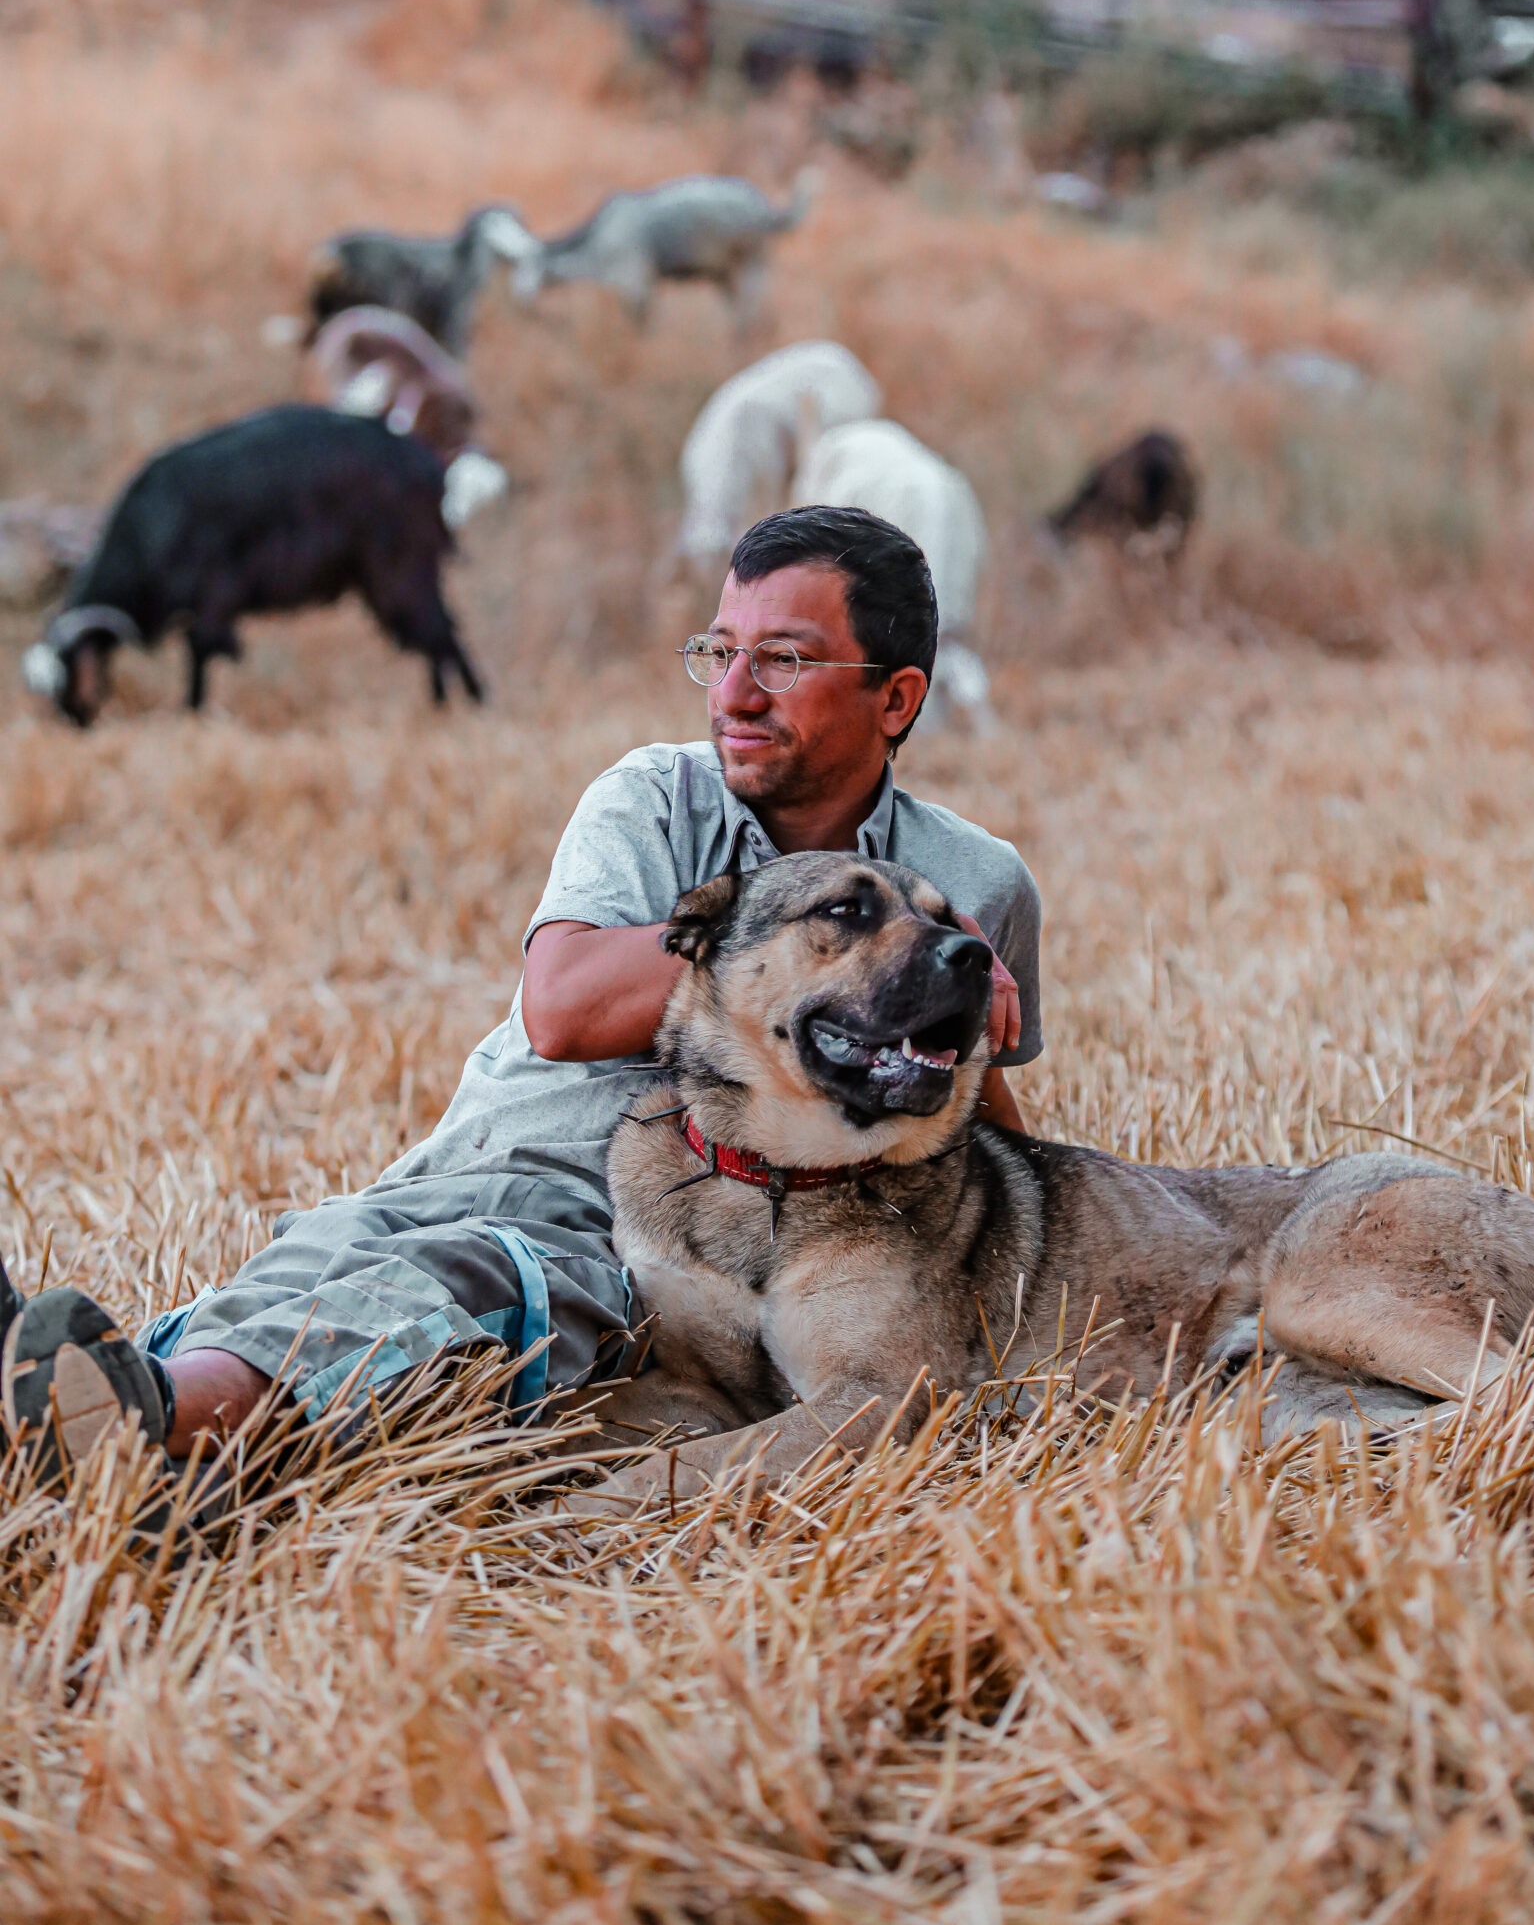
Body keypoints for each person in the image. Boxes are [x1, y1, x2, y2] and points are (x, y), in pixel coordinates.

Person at [1, 506, 1043, 1487]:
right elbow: (565, 1005)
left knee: (464, 1292)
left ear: (897, 697)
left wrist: (943, 1004)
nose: (733, 692)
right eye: (721, 651)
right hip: (487, 1161)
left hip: (629, 1226)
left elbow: (980, 1142)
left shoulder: (974, 882)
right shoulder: (653, 797)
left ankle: (132, 1428)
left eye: (783, 657)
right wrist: (872, 952)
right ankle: (101, 1425)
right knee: (321, 1270)